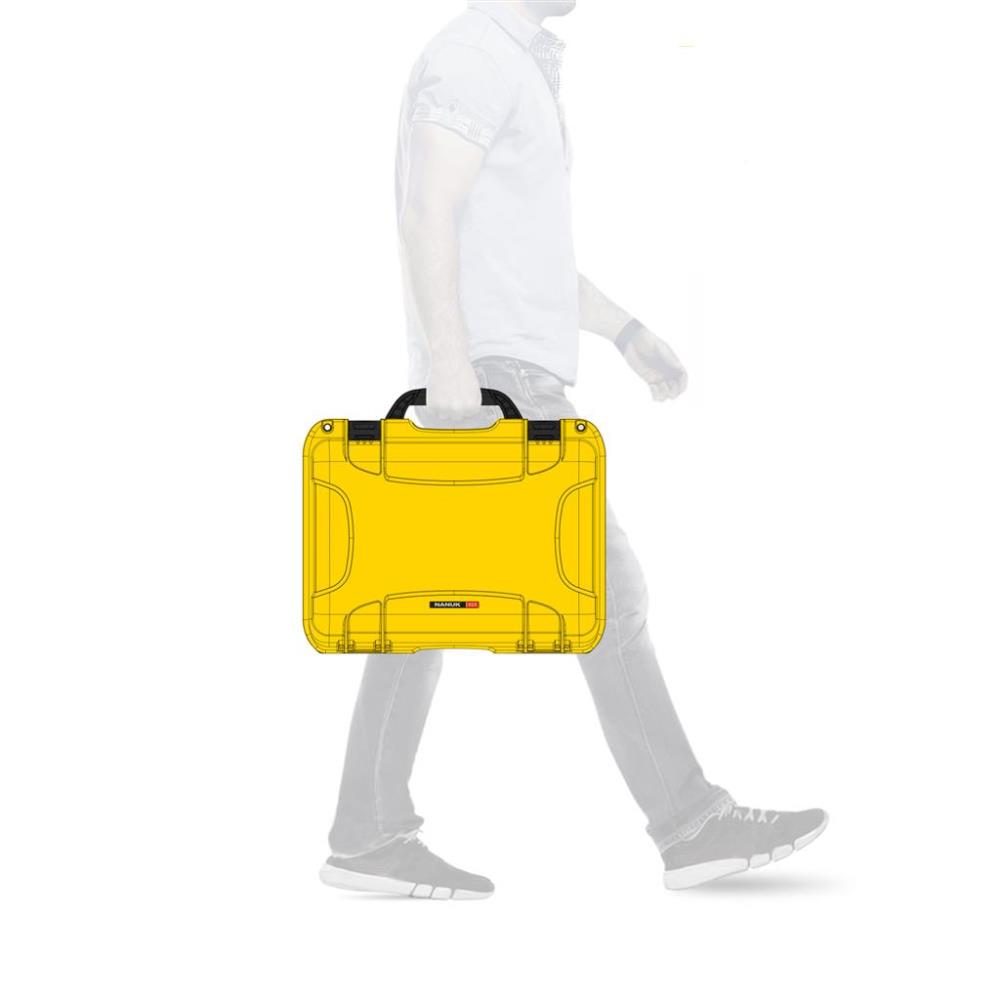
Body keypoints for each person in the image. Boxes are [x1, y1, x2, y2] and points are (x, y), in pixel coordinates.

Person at [320, 0, 827, 898]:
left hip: (498, 377)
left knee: (419, 609)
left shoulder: (508, 59)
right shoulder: (473, 56)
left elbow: (527, 262)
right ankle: (690, 824)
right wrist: (452, 371)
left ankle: (366, 832)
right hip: (497, 389)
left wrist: (625, 331)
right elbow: (427, 209)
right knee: (606, 594)